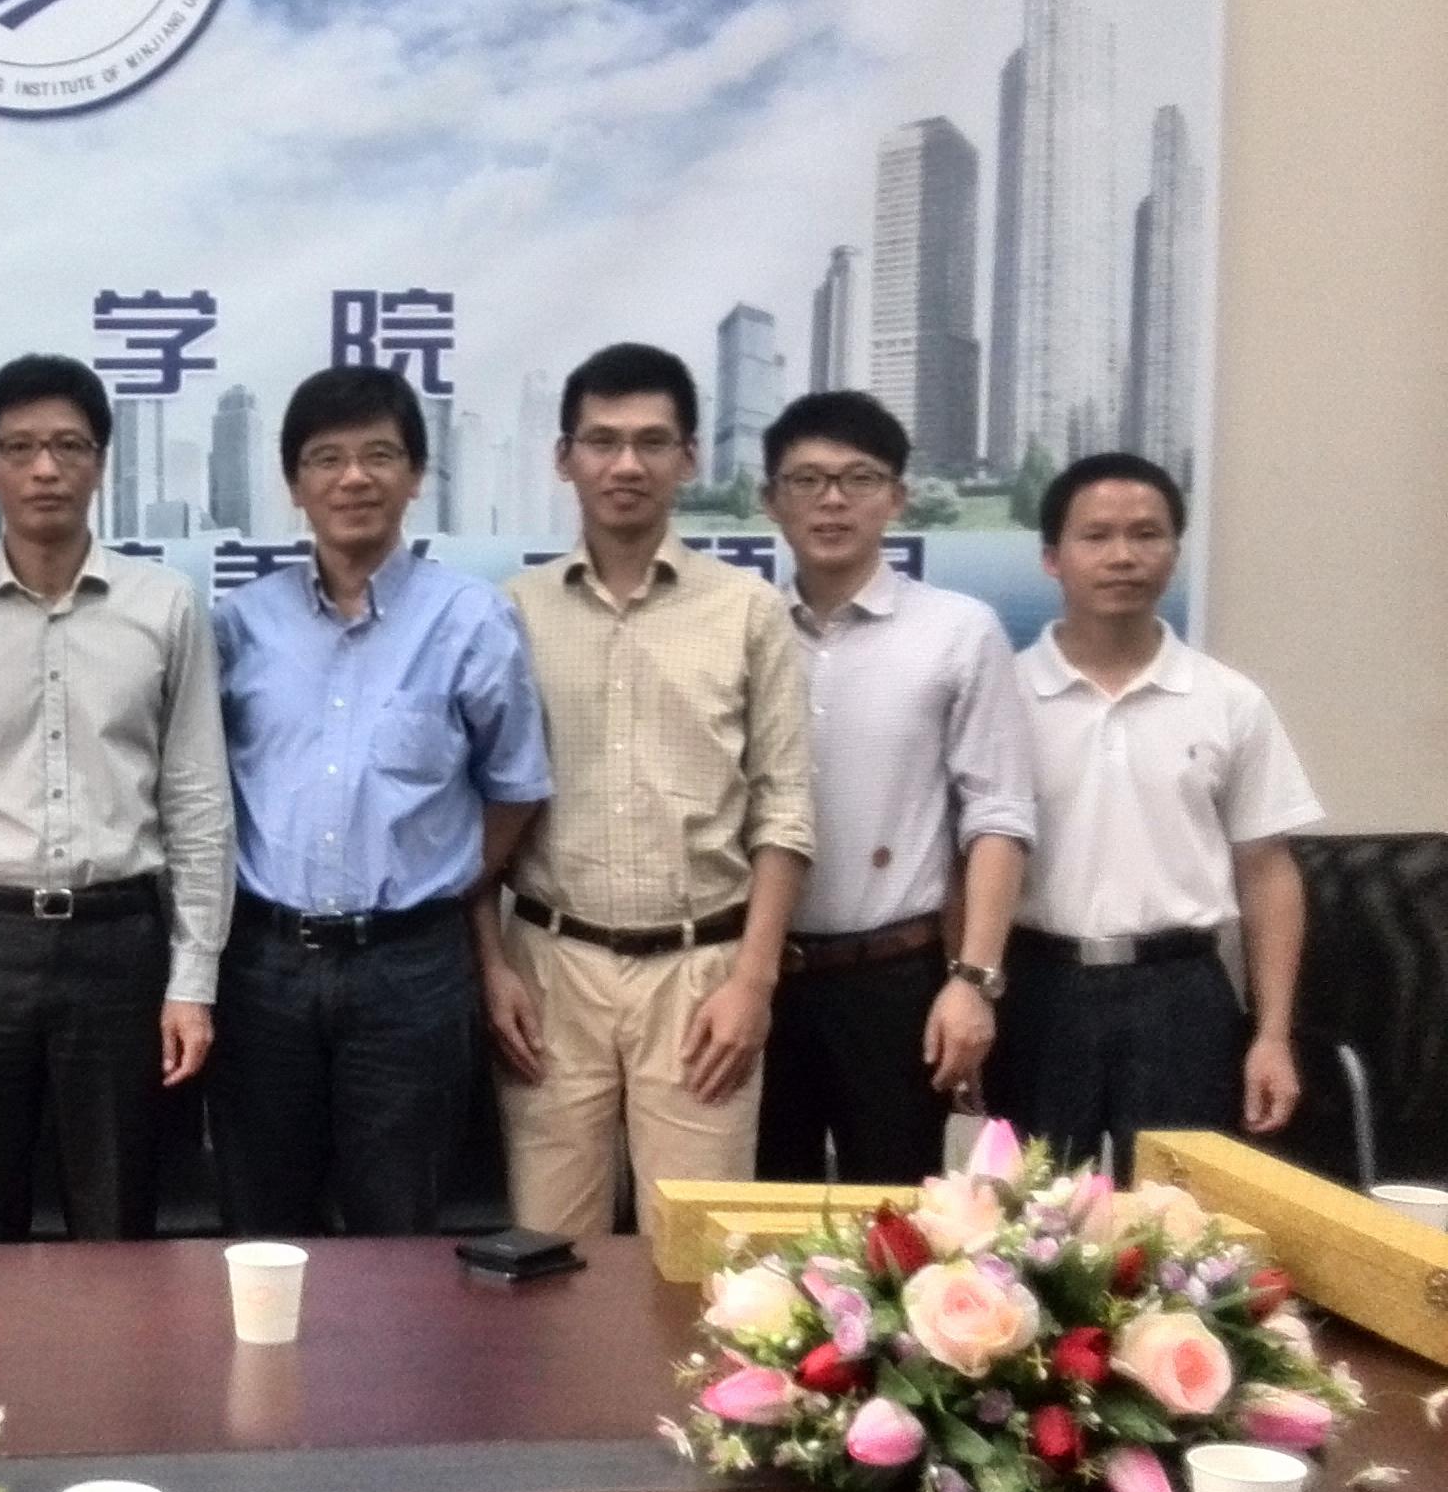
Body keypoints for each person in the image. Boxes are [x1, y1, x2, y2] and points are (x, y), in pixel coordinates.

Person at [0, 353, 230, 1243]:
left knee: (118, 1220)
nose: (45, 469)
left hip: (121, 942)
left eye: (69, 446)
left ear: (101, 462)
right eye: (21, 448)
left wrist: (192, 981)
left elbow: (197, 802)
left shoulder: (166, 606)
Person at [209, 367, 551, 1236]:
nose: (353, 478)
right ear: (294, 485)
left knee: (396, 1227)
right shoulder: (241, 624)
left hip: (410, 968)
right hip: (263, 964)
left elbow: (514, 789)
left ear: (416, 475)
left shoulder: (471, 619)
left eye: (378, 456)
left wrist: (450, 882)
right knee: (262, 1226)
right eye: (326, 459)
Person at [492, 342, 814, 1240]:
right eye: (601, 441)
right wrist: (491, 968)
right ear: (565, 458)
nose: (625, 464)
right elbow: (476, 812)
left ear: (690, 457)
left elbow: (785, 808)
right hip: (550, 972)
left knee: (703, 1256)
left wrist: (753, 984)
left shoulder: (747, 610)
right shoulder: (512, 612)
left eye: (651, 441)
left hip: (703, 974)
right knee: (549, 1249)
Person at [996, 452, 1320, 1172]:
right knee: (1033, 1215)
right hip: (1039, 989)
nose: (1123, 555)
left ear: (1175, 551)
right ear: (1052, 557)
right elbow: (968, 864)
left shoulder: (1229, 701)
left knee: (1182, 1216)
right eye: (1096, 536)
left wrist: (1273, 1034)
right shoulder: (1003, 697)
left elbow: (1268, 873)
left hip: (1181, 993)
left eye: (1146, 534)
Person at [754, 391, 1036, 1185]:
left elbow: (999, 814)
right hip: (754, 977)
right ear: (770, 500)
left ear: (898, 497)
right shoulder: (742, 628)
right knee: (750, 1218)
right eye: (806, 480)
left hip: (894, 983)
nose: (833, 500)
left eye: (859, 478)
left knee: (897, 1225)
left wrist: (973, 981)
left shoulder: (958, 630)